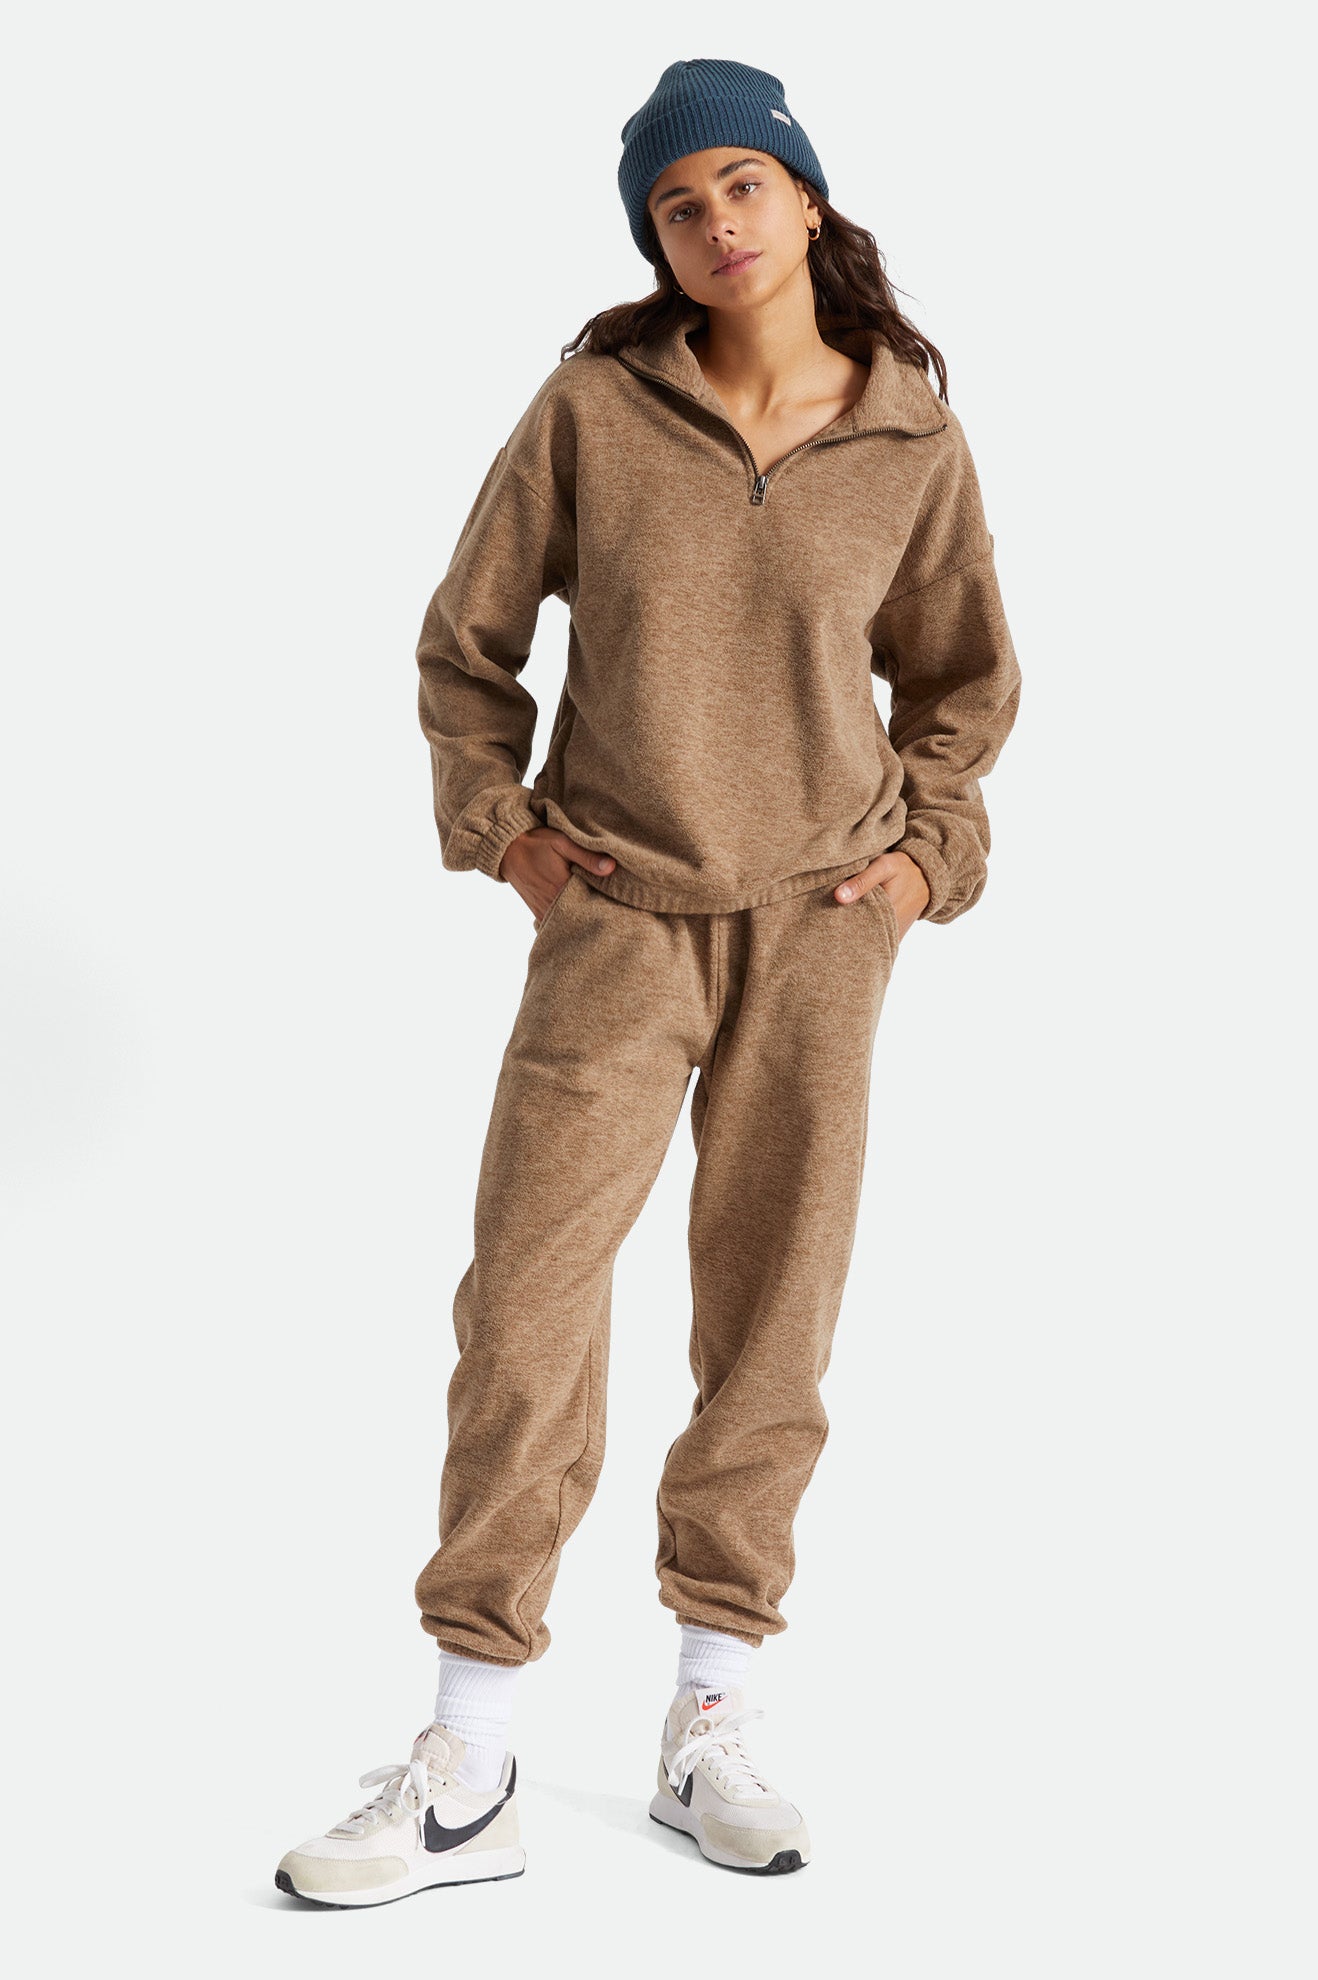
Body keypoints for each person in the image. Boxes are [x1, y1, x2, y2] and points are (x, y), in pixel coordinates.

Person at [275, 56, 1021, 1906]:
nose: (713, 223)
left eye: (740, 185)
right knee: (526, 1300)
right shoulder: (592, 411)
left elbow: (962, 681)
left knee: (771, 1315)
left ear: (807, 200)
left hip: (821, 927)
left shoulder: (909, 437)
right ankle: (469, 1751)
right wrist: (502, 829)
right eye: (677, 206)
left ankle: (712, 1712)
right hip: (616, 913)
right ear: (654, 242)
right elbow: (465, 648)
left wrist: (924, 861)